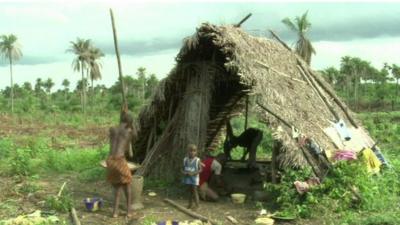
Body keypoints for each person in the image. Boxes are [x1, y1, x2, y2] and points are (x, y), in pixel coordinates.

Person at [106, 121, 135, 218]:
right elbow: (130, 153)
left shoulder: (112, 129)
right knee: (127, 184)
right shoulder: (128, 130)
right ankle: (129, 211)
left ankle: (115, 212)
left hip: (110, 161)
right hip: (119, 160)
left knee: (117, 186)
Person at [182, 144, 202, 210]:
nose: (192, 152)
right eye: (191, 151)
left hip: (194, 178)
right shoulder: (185, 159)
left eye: (194, 151)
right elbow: (182, 169)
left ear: (196, 152)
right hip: (188, 178)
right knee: (190, 191)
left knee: (195, 191)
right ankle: (190, 204)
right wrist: (184, 172)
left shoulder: (197, 160)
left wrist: (193, 173)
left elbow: (200, 169)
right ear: (188, 151)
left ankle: (198, 206)